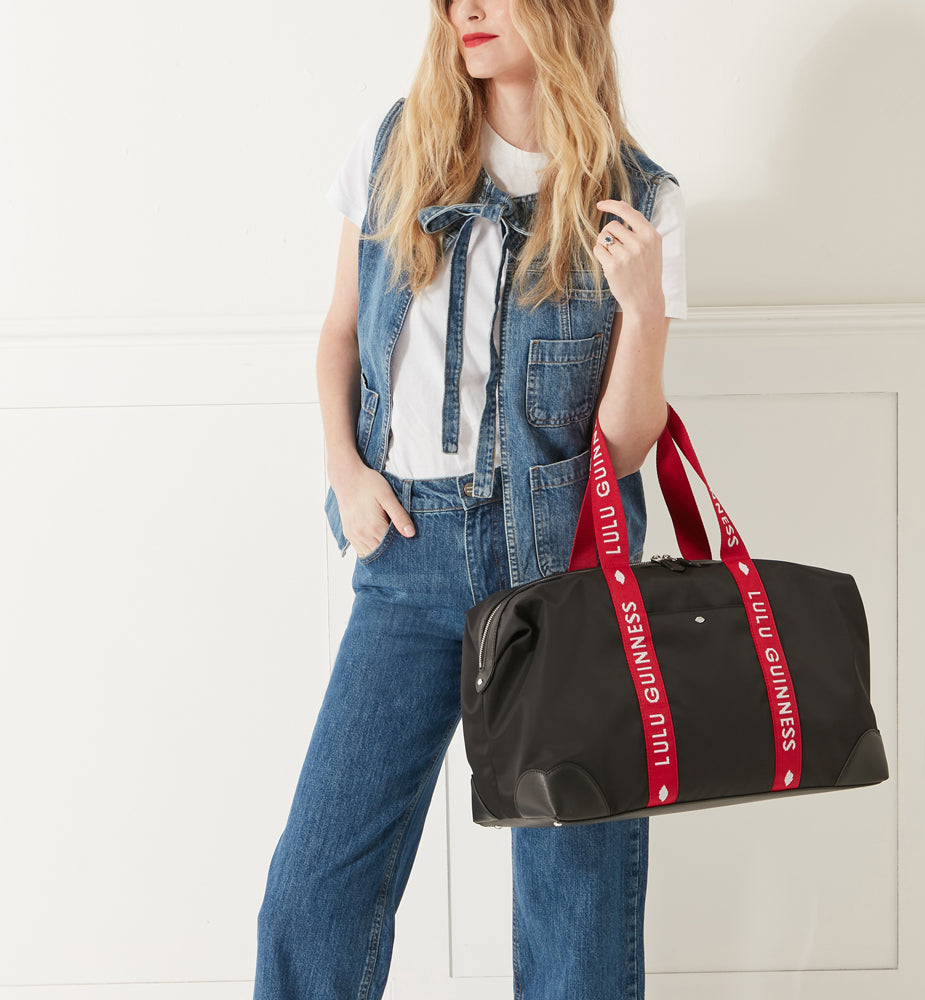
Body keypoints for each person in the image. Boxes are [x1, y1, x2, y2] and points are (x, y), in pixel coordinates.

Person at [254, 1, 687, 997]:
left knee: (574, 915)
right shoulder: (396, 150)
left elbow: (621, 443)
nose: (468, 11)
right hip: (406, 556)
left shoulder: (638, 199)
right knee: (314, 892)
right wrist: (345, 472)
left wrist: (644, 309)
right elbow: (336, 335)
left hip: (564, 575)